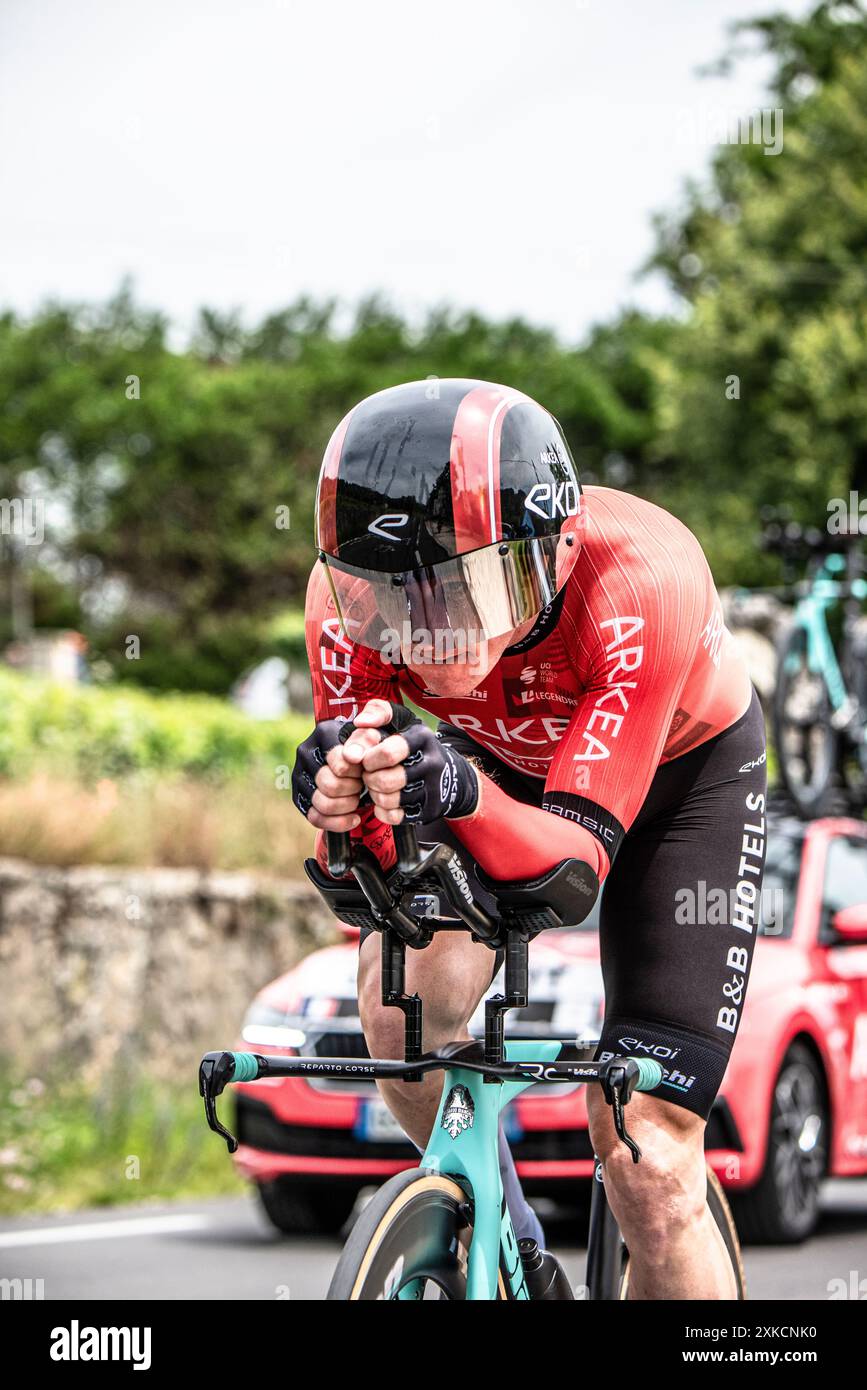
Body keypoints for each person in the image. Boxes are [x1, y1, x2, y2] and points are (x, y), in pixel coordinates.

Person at [293, 378, 766, 1299]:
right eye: (399, 600)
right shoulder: (341, 597)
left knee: (648, 1154)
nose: (433, 636)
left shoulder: (642, 578)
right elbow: (364, 879)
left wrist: (460, 788)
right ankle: (511, 1260)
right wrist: (340, 812)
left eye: (470, 589)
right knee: (401, 1020)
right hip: (488, 768)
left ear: (555, 553)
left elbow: (569, 871)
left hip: (680, 781)